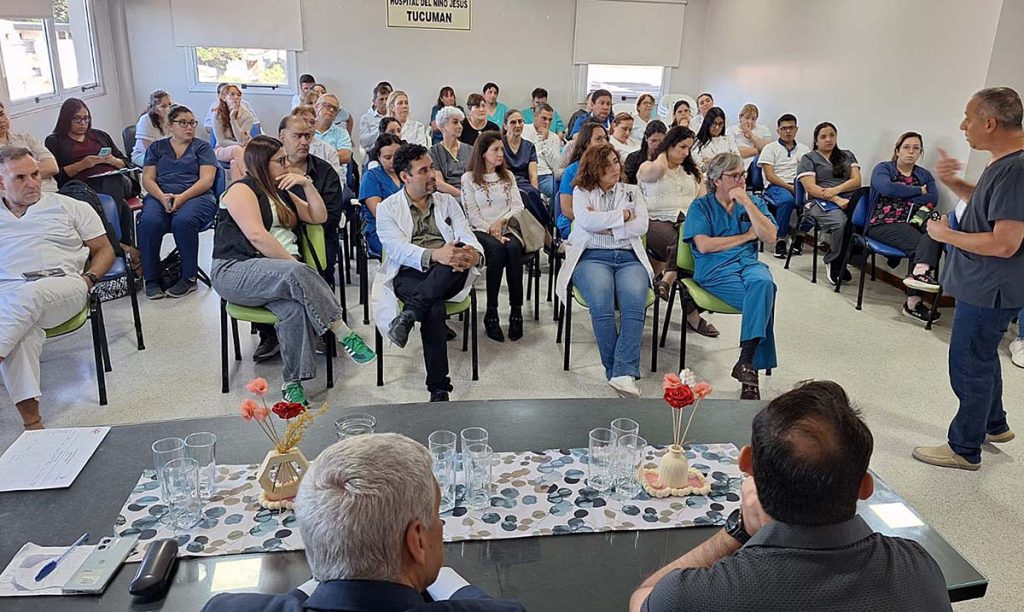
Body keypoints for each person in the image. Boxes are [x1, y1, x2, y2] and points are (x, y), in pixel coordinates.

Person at [630, 381, 952, 612]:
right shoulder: (920, 569)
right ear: (865, 487)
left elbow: (643, 598)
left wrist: (737, 530)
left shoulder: (695, 597)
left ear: (747, 464)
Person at [202, 434, 525, 612]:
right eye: (436, 517)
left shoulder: (224, 608)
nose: (438, 526)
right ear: (417, 541)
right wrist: (449, 582)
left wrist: (333, 565)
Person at [211, 136, 374, 405]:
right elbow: (257, 236)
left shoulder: (281, 191)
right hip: (236, 269)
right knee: (299, 273)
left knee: (294, 310)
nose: (287, 165)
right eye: (280, 160)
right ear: (261, 163)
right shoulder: (241, 190)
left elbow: (319, 216)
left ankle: (292, 384)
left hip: (277, 274)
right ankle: (344, 334)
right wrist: (294, 267)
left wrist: (307, 185)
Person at [913, 87, 1024, 471]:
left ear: (990, 123)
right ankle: (995, 424)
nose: (963, 126)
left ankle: (964, 447)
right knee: (982, 357)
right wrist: (957, 184)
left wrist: (947, 236)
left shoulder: (1016, 168)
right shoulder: (1006, 162)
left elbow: (1005, 243)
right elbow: (994, 205)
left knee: (969, 366)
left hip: (989, 288)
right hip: (988, 286)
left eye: (969, 118)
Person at [0, 146, 115, 430]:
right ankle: (33, 424)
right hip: (10, 297)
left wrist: (89, 280)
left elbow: (104, 250)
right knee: (21, 335)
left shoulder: (70, 206)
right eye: (20, 177)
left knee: (28, 296)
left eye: (36, 174)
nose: (32, 183)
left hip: (64, 287)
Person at [372, 144, 483, 403]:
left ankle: (410, 315)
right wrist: (434, 255)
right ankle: (439, 387)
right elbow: (397, 249)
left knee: (451, 257)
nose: (433, 174)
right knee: (433, 308)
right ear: (405, 177)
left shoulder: (447, 203)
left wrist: (474, 255)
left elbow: (466, 235)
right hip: (410, 272)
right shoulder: (388, 209)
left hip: (451, 271)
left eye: (432, 167)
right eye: (424, 170)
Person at [555, 144, 652, 398]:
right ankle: (618, 372)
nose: (615, 168)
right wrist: (622, 216)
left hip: (629, 257)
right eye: (608, 164)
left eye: (616, 162)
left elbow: (641, 225)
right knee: (601, 303)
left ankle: (622, 372)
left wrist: (609, 226)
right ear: (594, 168)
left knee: (634, 304)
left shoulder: (632, 191)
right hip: (591, 257)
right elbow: (585, 221)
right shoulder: (581, 191)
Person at [684, 152, 778, 399]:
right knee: (763, 299)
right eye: (734, 176)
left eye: (743, 175)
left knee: (764, 282)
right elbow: (704, 246)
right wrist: (746, 237)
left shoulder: (753, 203)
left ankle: (745, 363)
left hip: (747, 264)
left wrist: (747, 203)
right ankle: (750, 377)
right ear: (717, 180)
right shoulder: (701, 206)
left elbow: (770, 236)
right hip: (715, 271)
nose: (741, 180)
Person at [637, 127, 713, 342]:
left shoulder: (691, 172)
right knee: (683, 243)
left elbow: (701, 201)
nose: (686, 153)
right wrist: (663, 154)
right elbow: (658, 171)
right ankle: (691, 313)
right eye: (681, 147)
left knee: (692, 244)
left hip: (687, 224)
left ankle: (669, 278)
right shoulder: (649, 167)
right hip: (655, 221)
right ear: (668, 145)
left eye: (689, 148)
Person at [138, 105, 217, 299]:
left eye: (192, 123)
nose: (189, 127)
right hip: (161, 194)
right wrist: (161, 197)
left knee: (183, 221)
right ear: (169, 125)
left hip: (197, 196)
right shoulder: (157, 148)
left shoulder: (202, 147)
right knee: (149, 222)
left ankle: (189, 277)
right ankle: (151, 278)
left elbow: (206, 180)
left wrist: (181, 198)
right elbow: (148, 178)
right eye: (183, 123)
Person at [44, 98, 137, 256]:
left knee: (111, 181)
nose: (83, 123)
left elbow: (126, 163)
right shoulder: (55, 141)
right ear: (66, 119)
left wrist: (114, 161)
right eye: (77, 119)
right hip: (82, 187)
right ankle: (121, 247)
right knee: (122, 208)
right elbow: (57, 176)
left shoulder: (100, 136)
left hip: (117, 181)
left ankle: (113, 246)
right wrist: (82, 165)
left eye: (86, 118)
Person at [868, 132, 943, 323]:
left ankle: (919, 273)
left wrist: (901, 193)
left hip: (914, 222)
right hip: (884, 222)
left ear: (920, 152)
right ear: (897, 150)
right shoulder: (884, 169)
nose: (911, 152)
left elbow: (932, 198)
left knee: (935, 233)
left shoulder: (923, 174)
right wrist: (918, 191)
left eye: (916, 148)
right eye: (906, 147)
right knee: (920, 246)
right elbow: (886, 189)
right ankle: (913, 303)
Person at [461, 131, 526, 343]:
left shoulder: (508, 176)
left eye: (501, 149)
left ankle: (517, 311)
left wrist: (501, 223)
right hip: (480, 229)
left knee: (514, 249)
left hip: (506, 227)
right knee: (497, 251)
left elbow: (518, 206)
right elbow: (472, 214)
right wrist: (491, 229)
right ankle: (491, 312)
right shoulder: (469, 179)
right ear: (483, 153)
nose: (501, 154)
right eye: (495, 150)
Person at [795, 121, 862, 285]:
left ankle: (844, 259)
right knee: (841, 222)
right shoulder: (809, 159)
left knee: (862, 221)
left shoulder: (847, 155)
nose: (828, 139)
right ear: (816, 140)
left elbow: (856, 181)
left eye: (832, 135)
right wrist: (835, 198)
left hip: (847, 198)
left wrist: (837, 190)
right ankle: (833, 260)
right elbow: (811, 188)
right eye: (823, 136)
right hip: (818, 202)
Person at [757, 113, 811, 258]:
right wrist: (790, 188)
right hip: (775, 186)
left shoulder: (804, 150)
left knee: (814, 203)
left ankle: (800, 235)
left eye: (791, 128)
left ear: (796, 129)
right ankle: (780, 240)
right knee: (787, 200)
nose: (788, 131)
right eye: (784, 128)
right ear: (778, 131)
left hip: (800, 186)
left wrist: (801, 188)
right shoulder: (770, 148)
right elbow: (770, 175)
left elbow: (808, 173)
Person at [556, 120, 608, 240]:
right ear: (586, 143)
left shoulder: (611, 169)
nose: (604, 143)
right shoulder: (572, 171)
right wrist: (592, 222)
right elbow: (566, 209)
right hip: (574, 218)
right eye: (599, 139)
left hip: (604, 219)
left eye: (605, 138)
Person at [358, 134, 404, 260]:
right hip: (381, 230)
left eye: (397, 156)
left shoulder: (407, 174)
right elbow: (379, 214)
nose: (393, 161)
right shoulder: (371, 177)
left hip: (410, 226)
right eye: (387, 157)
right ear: (378, 157)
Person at [501, 109, 547, 227]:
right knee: (527, 195)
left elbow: (533, 175)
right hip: (505, 183)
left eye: (520, 122)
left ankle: (541, 228)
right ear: (505, 126)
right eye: (513, 122)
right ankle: (545, 227)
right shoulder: (499, 144)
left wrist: (535, 191)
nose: (518, 125)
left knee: (531, 193)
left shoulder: (529, 146)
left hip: (524, 183)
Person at [0, 101, 58, 192]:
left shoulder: (26, 138)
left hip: (53, 192)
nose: (1, 120)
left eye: (1, 114)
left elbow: (52, 167)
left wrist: (17, 175)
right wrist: (36, 167)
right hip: (21, 201)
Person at [212, 84, 254, 181]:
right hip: (222, 149)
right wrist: (240, 144)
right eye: (232, 94)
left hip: (242, 149)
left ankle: (240, 188)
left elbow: (241, 138)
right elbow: (221, 141)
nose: (236, 97)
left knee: (235, 163)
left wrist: (233, 119)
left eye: (238, 95)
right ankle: (251, 180)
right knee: (237, 149)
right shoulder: (217, 115)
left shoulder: (247, 116)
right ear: (224, 97)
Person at [428, 106, 472, 201]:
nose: (460, 126)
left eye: (461, 123)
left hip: (470, 194)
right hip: (447, 197)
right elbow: (438, 182)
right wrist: (462, 195)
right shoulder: (433, 152)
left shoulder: (470, 149)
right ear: (443, 126)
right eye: (455, 122)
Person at [521, 103, 561, 202]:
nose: (547, 123)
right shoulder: (523, 130)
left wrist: (545, 141)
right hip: (525, 173)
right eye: (544, 118)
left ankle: (551, 217)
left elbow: (556, 165)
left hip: (544, 175)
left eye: (550, 120)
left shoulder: (554, 137)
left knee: (560, 192)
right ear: (535, 116)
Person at [314, 94, 355, 172]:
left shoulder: (341, 133)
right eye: (328, 106)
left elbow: (345, 156)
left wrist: (314, 160)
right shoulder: (306, 130)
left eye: (335, 109)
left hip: (334, 177)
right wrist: (332, 156)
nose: (332, 110)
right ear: (316, 107)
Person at [131, 90, 172, 167]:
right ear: (155, 109)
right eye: (163, 106)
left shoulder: (170, 119)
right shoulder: (145, 120)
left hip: (165, 154)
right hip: (143, 155)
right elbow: (149, 149)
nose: (168, 108)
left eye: (170, 104)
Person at [727, 103, 772, 168]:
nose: (750, 122)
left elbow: (769, 149)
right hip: (738, 163)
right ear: (740, 117)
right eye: (747, 118)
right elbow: (734, 152)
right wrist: (759, 150)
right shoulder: (730, 130)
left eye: (753, 119)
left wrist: (751, 135)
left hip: (759, 163)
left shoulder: (764, 129)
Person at [624, 120, 667, 185]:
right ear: (646, 138)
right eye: (653, 140)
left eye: (661, 141)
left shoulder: (669, 159)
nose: (657, 145)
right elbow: (628, 182)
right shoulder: (633, 158)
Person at [359, 81, 392, 151]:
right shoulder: (366, 118)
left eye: (387, 99)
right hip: (375, 153)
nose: (385, 102)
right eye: (381, 99)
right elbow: (363, 142)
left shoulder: (394, 116)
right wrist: (381, 130)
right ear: (374, 102)